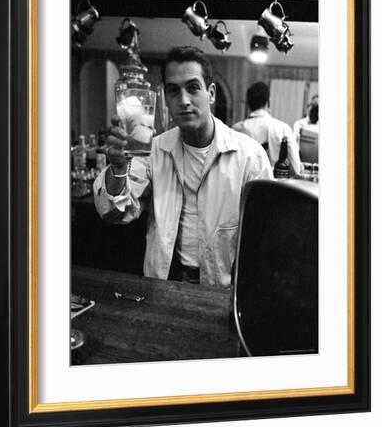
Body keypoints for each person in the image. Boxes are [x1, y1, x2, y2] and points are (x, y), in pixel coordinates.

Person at [93, 46, 272, 287]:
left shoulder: (250, 156)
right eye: (174, 91)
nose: (184, 100)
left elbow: (264, 237)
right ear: (166, 99)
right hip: (163, 282)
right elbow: (114, 213)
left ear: (211, 93)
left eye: (193, 87)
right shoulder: (154, 149)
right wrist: (117, 168)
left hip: (222, 288)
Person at [233, 81, 301, 176]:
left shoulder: (234, 130)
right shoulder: (283, 129)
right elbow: (297, 169)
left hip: (245, 188)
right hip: (275, 188)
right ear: (268, 102)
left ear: (248, 104)